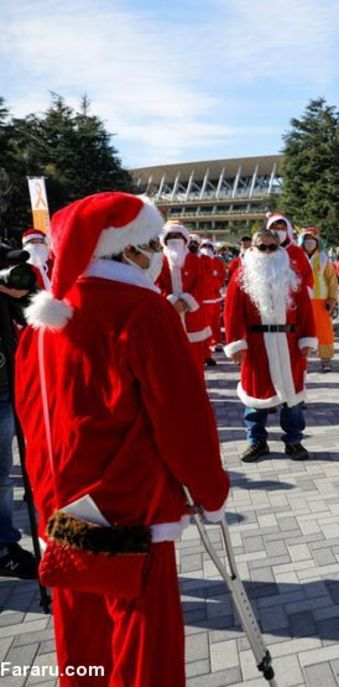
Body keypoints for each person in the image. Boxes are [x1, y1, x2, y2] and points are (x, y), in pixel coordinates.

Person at [15, 191, 229, 686]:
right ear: (126, 249)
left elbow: (33, 420)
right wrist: (209, 491)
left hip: (65, 507)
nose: (156, 252)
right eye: (150, 242)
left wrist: (50, 501)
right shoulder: (143, 310)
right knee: (142, 642)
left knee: (82, 642)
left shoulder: (45, 322)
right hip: (133, 504)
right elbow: (183, 419)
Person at [224, 230, 317, 463]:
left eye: (271, 247)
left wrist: (307, 339)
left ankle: (294, 440)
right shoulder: (240, 276)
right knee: (255, 398)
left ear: (280, 248)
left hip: (289, 344)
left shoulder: (292, 275)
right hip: (256, 347)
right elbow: (232, 314)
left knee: (292, 398)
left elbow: (306, 312)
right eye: (261, 247)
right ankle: (256, 441)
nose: (266, 252)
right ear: (252, 249)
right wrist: (236, 345)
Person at [0, 241, 39, 580]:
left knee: (2, 475)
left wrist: (18, 294)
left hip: (5, 386)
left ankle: (4, 546)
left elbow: (34, 312)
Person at [157, 221, 213, 364]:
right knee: (170, 359)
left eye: (178, 235)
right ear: (164, 240)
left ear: (185, 239)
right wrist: (170, 302)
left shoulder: (195, 260)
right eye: (170, 236)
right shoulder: (157, 261)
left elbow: (202, 284)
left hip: (192, 315)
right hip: (167, 314)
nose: (174, 239)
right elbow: (155, 284)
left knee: (194, 360)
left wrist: (187, 301)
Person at [301, 227, 339, 372]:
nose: (310, 242)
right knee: (302, 330)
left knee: (324, 330)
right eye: (307, 239)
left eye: (312, 239)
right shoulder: (297, 256)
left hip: (320, 300)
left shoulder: (324, 258)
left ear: (317, 241)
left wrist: (332, 297)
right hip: (302, 301)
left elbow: (332, 280)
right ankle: (302, 359)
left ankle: (326, 359)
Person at [266, 213, 314, 293]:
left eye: (282, 229)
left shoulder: (296, 251)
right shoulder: (262, 250)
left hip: (294, 298)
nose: (279, 231)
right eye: (276, 228)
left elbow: (307, 275)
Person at [198, 239, 226, 366]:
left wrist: (218, 286)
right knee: (204, 324)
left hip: (214, 297)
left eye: (209, 246)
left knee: (215, 322)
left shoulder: (217, 262)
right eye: (204, 246)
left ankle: (217, 342)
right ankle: (205, 349)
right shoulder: (197, 260)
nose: (207, 248)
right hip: (202, 300)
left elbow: (222, 277)